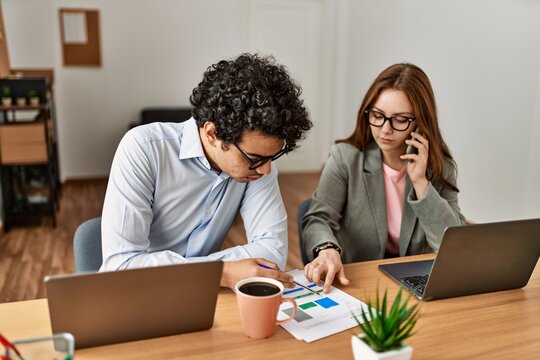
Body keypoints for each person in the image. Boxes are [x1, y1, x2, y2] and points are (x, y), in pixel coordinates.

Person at [100, 53, 312, 288]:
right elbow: (120, 268)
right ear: (212, 133)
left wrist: (192, 273)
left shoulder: (259, 164)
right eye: (255, 158)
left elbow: (272, 253)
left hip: (206, 297)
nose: (266, 169)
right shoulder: (144, 149)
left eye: (272, 157)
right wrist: (220, 272)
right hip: (140, 294)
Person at [302, 63, 466, 292]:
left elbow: (453, 246)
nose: (385, 129)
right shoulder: (345, 158)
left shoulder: (441, 167)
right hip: (359, 281)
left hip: (414, 284)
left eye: (400, 119)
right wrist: (327, 249)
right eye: (378, 115)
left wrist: (421, 182)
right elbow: (317, 218)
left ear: (420, 121)